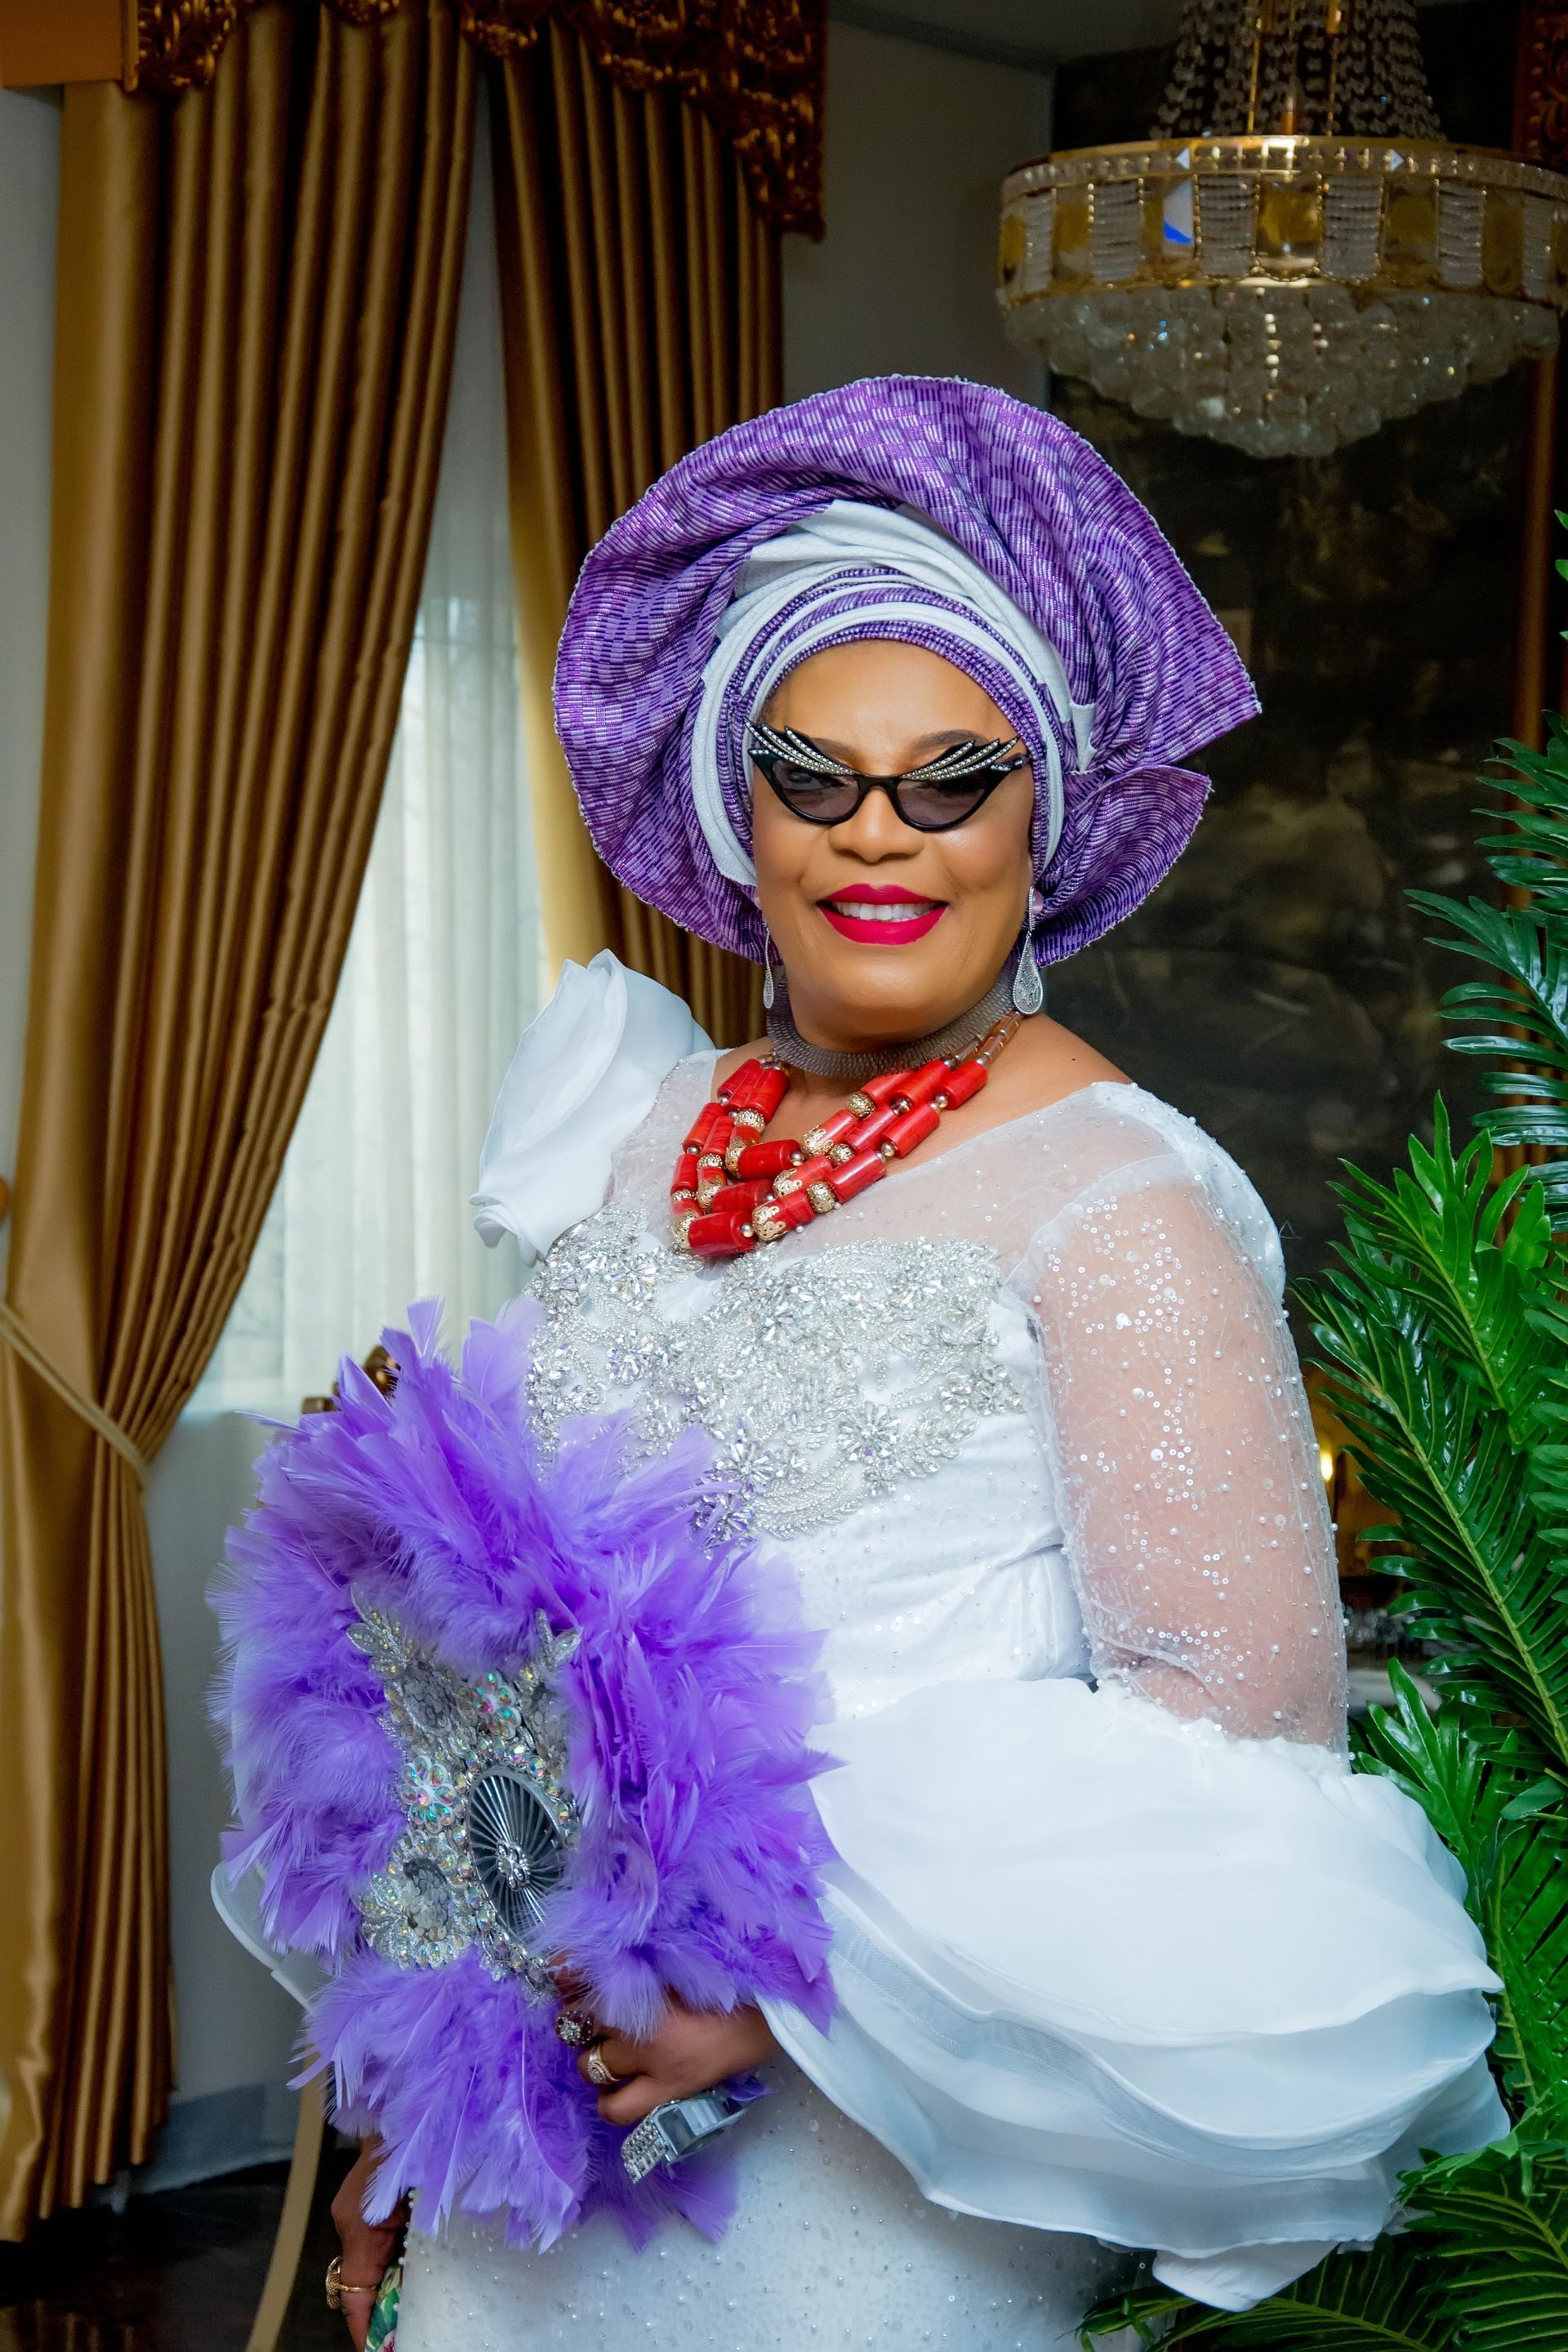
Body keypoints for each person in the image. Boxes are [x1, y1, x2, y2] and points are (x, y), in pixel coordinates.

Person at [314, 377, 1505, 2349]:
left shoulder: (1120, 1198)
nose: (884, 835)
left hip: (870, 2154)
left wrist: (780, 1999)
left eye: (953, 778)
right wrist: (428, 2100)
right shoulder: (635, 1140)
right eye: (818, 773)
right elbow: (514, 1654)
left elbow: (1236, 1755)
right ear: (731, 804)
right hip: (548, 2122)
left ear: (1048, 822)